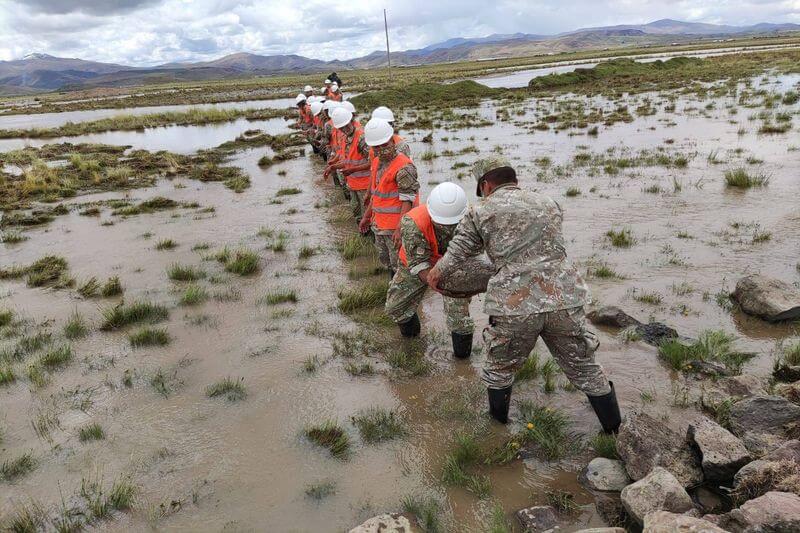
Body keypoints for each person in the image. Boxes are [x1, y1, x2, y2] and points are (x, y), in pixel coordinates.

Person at [425, 157, 621, 433]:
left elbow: (458, 252)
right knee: (585, 367)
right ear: (513, 180)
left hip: (514, 305)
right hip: (563, 299)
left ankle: (497, 431)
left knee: (500, 369)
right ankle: (614, 432)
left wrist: (435, 276)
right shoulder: (549, 203)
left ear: (485, 185)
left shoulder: (479, 211)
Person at [386, 182, 475, 358]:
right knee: (396, 307)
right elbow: (417, 263)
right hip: (416, 263)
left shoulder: (474, 218)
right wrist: (434, 282)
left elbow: (477, 254)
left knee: (459, 317)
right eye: (442, 224)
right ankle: (413, 342)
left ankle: (463, 361)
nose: (448, 229)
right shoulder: (412, 222)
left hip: (454, 265)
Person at [359, 119, 419, 277]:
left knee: (400, 265)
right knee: (386, 261)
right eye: (376, 147)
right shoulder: (378, 162)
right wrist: (366, 216)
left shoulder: (404, 167)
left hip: (394, 228)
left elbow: (408, 200)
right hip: (379, 224)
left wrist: (400, 229)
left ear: (392, 140)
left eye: (384, 145)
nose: (381, 150)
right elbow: (377, 194)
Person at [325, 107, 370, 215]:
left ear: (351, 120)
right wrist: (333, 167)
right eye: (341, 128)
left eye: (346, 125)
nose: (344, 129)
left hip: (365, 186)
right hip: (352, 184)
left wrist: (352, 170)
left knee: (368, 217)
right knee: (356, 213)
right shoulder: (344, 139)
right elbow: (348, 160)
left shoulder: (362, 137)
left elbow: (373, 163)